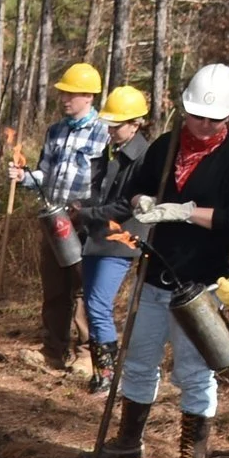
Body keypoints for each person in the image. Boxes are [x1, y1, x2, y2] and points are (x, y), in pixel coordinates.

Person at [95, 63, 229, 458]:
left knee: (194, 372)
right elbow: (135, 188)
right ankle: (128, 440)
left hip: (201, 283)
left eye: (213, 119)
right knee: (139, 361)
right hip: (154, 271)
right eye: (197, 115)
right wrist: (143, 202)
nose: (203, 125)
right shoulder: (166, 145)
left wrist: (186, 212)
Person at [12, 62, 110, 369]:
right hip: (54, 220)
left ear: (89, 96)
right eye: (63, 93)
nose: (65, 99)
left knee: (83, 288)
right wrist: (24, 177)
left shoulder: (104, 132)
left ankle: (86, 355)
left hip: (86, 222)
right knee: (54, 287)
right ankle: (53, 350)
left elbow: (107, 182)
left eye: (71, 94)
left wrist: (89, 210)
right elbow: (45, 174)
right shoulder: (55, 131)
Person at [70, 85, 150, 394]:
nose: (111, 130)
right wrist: (84, 206)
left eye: (117, 125)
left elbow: (125, 206)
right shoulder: (111, 150)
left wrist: (86, 214)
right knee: (92, 305)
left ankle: (107, 374)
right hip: (96, 237)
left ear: (135, 124)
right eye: (109, 125)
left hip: (119, 241)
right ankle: (100, 372)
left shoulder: (143, 158)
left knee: (99, 305)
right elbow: (101, 193)